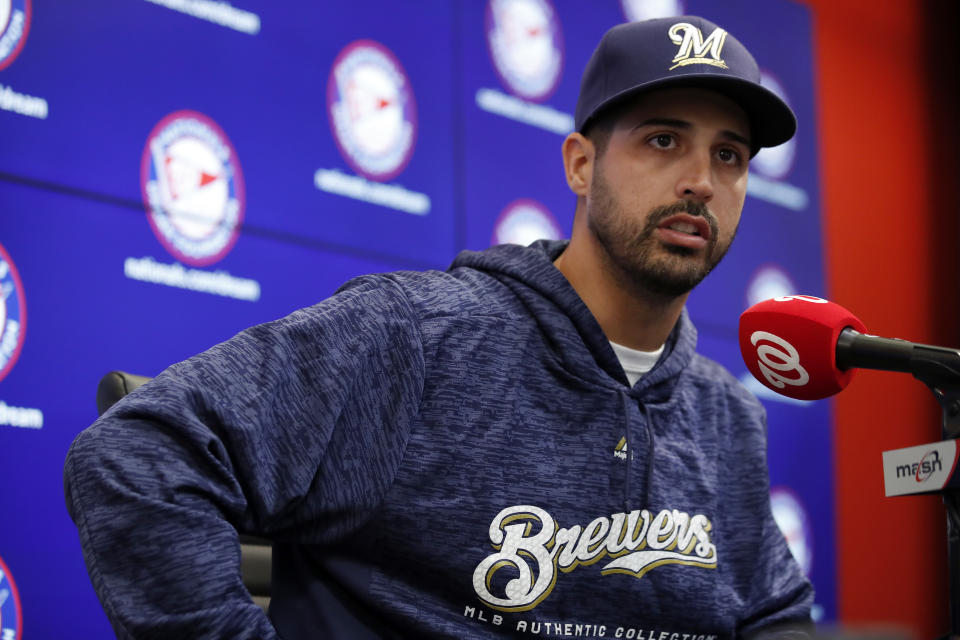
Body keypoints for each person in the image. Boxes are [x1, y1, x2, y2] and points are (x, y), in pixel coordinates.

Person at [65, 15, 814, 640]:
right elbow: (137, 454)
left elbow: (775, 614)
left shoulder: (726, 413)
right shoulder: (418, 338)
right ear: (581, 165)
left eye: (729, 155)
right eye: (662, 140)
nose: (700, 180)